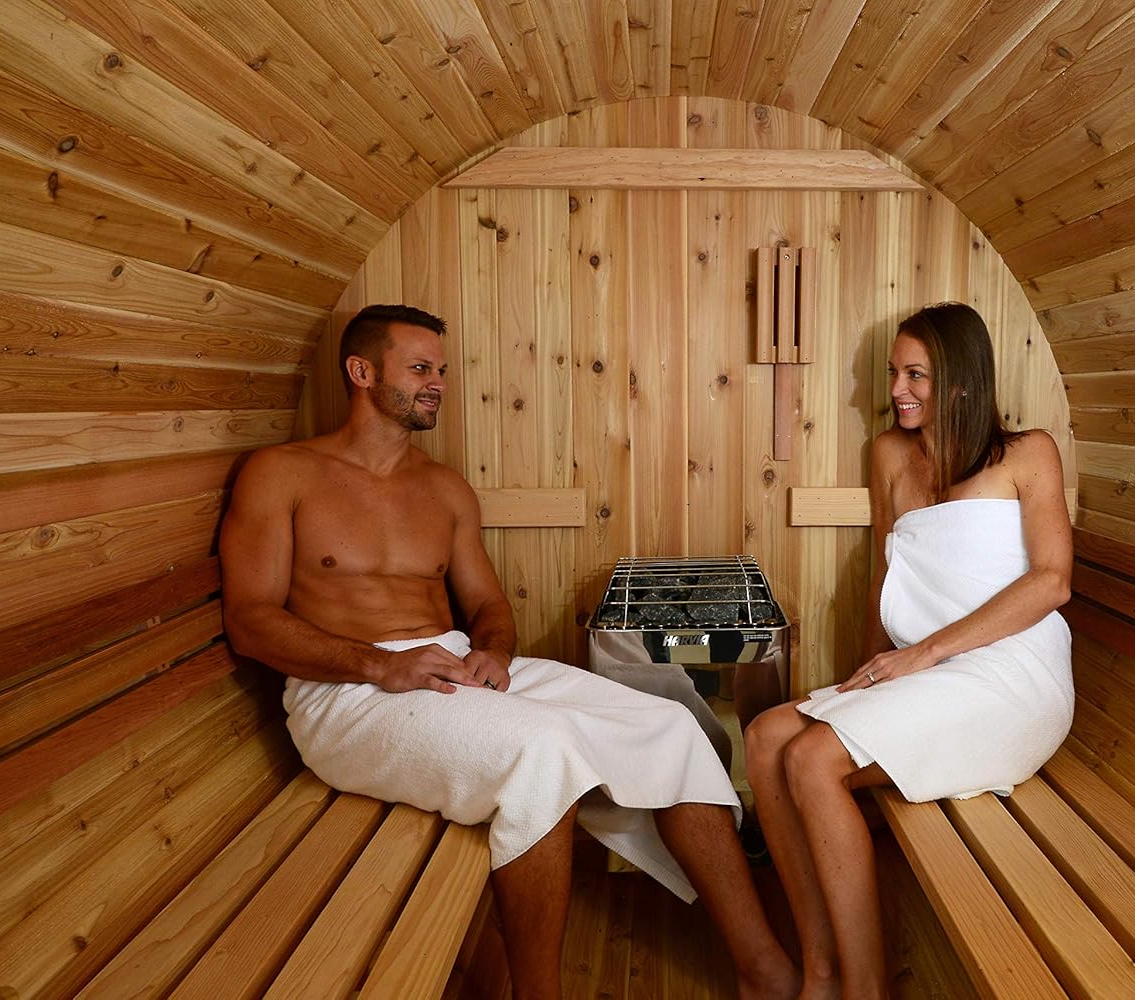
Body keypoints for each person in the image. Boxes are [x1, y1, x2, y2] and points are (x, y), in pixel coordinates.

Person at [219, 304, 799, 1000]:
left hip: (455, 666)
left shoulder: (443, 489)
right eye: (419, 368)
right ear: (362, 371)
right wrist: (380, 664)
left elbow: (489, 607)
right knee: (543, 748)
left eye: (441, 370)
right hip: (345, 692)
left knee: (670, 722)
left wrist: (492, 652)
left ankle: (762, 967)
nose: (436, 383)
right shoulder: (282, 473)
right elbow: (250, 621)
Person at [744, 302, 1074, 999]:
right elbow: (888, 573)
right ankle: (822, 971)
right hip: (928, 672)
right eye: (895, 372)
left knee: (811, 758)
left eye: (915, 374)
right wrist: (865, 675)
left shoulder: (1029, 453)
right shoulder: (891, 455)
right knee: (765, 736)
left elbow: (1052, 581)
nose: (897, 389)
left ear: (961, 380)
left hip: (1013, 674)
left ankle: (865, 988)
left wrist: (919, 657)